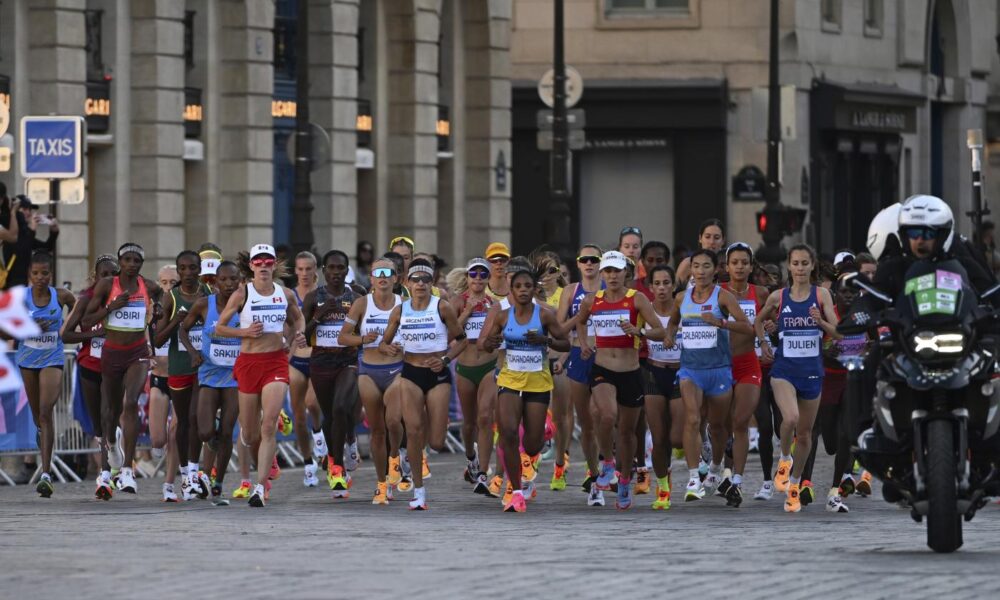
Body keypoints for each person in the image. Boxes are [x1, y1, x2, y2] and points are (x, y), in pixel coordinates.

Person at [213, 244, 306, 507]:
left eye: (268, 261)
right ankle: (267, 455)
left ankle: (260, 486)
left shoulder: (284, 293)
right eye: (258, 261)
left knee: (268, 425)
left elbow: (298, 319)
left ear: (274, 265)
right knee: (250, 433)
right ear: (251, 266)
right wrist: (244, 332)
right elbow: (219, 328)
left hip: (275, 362)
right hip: (248, 363)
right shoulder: (243, 293)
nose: (263, 265)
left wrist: (298, 333)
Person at [575, 251, 666, 510]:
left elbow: (660, 330)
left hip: (631, 371)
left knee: (627, 432)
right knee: (605, 415)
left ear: (626, 272)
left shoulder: (636, 299)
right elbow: (580, 323)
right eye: (608, 271)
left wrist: (640, 332)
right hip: (603, 368)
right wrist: (584, 344)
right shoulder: (593, 300)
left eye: (616, 271)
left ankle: (625, 479)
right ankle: (607, 463)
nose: (612, 276)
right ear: (602, 274)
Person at [756, 244, 841, 513]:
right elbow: (758, 321)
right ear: (789, 266)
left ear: (812, 265)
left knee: (805, 435)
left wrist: (821, 323)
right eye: (796, 263)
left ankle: (794, 485)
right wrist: (765, 343)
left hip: (813, 372)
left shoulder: (822, 295)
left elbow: (838, 333)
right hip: (784, 370)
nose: (800, 268)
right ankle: (784, 459)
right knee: (790, 419)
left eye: (805, 263)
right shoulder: (779, 296)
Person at [663, 248, 753, 502]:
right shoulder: (681, 298)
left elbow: (747, 327)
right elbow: (672, 321)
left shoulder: (723, 297)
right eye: (696, 266)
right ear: (690, 270)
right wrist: (670, 334)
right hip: (691, 370)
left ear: (715, 270)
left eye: (705, 266)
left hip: (719, 370)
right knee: (692, 419)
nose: (700, 272)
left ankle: (714, 467)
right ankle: (693, 478)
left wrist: (721, 323)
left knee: (718, 426)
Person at [479, 266, 569, 512]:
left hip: (538, 382)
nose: (522, 291)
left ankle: (543, 433)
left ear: (534, 289)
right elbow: (485, 345)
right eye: (518, 287)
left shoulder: (545, 315)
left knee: (531, 445)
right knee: (507, 432)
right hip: (509, 380)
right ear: (511, 290)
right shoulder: (502, 315)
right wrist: (491, 342)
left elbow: (565, 342)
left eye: (527, 286)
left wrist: (546, 341)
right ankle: (516, 491)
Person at [379, 258, 467, 510]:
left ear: (432, 283)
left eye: (426, 279)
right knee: (414, 431)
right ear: (407, 283)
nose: (420, 284)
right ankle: (418, 490)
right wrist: (390, 347)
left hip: (437, 375)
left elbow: (461, 340)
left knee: (437, 441)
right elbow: (384, 343)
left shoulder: (443, 307)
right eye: (415, 279)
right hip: (411, 373)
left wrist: (446, 358)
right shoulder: (400, 310)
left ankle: (429, 424)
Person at [81, 242, 164, 499]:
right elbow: (87, 320)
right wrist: (111, 308)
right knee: (109, 412)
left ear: (141, 263)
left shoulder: (148, 286)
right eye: (127, 260)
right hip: (112, 354)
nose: (131, 264)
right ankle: (110, 456)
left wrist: (158, 310)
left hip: (137, 354)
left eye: (136, 260)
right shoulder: (107, 286)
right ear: (120, 261)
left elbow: (159, 299)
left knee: (130, 403)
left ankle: (127, 469)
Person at [797, 270, 867, 513]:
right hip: (825, 378)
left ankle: (835, 490)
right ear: (836, 294)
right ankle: (805, 482)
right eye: (844, 292)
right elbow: (810, 341)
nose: (848, 296)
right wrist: (825, 351)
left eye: (853, 292)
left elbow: (877, 342)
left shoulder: (864, 317)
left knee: (847, 434)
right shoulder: (828, 314)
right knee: (817, 434)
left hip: (851, 379)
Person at [339, 257, 403, 504]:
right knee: (377, 430)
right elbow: (343, 338)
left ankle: (395, 455)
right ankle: (381, 483)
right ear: (372, 279)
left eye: (389, 272)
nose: (384, 276)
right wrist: (364, 340)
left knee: (394, 421)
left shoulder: (404, 304)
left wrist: (398, 346)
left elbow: (415, 336)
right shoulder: (361, 304)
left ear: (396, 278)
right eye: (378, 273)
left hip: (397, 369)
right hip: (368, 369)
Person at [179, 261, 242, 499]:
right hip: (209, 374)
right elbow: (183, 330)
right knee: (205, 431)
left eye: (233, 279)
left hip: (234, 378)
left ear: (239, 281)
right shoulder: (204, 305)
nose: (228, 284)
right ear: (214, 282)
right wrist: (193, 353)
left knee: (226, 431)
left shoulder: (244, 306)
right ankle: (210, 452)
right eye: (223, 279)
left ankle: (218, 480)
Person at [14, 252, 75, 497]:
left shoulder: (60, 296)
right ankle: (41, 433)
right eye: (36, 273)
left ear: (52, 274)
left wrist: (66, 325)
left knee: (45, 411)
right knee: (37, 417)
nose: (40, 278)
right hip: (28, 361)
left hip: (52, 358)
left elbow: (78, 305)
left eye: (45, 273)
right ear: (30, 274)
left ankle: (46, 475)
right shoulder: (21, 298)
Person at [153, 250, 212, 499]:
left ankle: (193, 474)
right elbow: (157, 339)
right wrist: (176, 322)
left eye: (193, 268)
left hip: (205, 366)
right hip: (178, 367)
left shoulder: (209, 295)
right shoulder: (171, 298)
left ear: (200, 270)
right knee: (183, 424)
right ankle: (186, 473)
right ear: (178, 271)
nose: (188, 273)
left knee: (195, 418)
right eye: (183, 268)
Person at [302, 250, 360, 499]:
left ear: (347, 271)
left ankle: (336, 466)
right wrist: (319, 317)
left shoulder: (357, 297)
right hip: (321, 361)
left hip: (347, 360)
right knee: (330, 414)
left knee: (339, 408)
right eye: (332, 268)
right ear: (324, 271)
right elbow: (304, 336)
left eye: (341, 268)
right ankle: (339, 454)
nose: (336, 273)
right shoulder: (314, 297)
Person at [719, 242, 770, 507]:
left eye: (744, 262)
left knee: (740, 421)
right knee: (722, 423)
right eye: (734, 262)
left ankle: (737, 482)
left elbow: (773, 320)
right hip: (719, 365)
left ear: (751, 267)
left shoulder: (761, 293)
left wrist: (768, 328)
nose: (739, 266)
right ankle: (723, 469)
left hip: (748, 362)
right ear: (726, 267)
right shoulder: (716, 292)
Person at [62, 255, 119, 490]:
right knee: (97, 423)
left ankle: (105, 474)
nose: (108, 279)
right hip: (89, 366)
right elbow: (66, 334)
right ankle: (107, 464)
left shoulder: (123, 300)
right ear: (96, 276)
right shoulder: (86, 299)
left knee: (109, 417)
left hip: (115, 367)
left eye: (113, 275)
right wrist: (93, 335)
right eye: (104, 274)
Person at [556, 244, 604, 498]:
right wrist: (582, 313)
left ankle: (608, 465)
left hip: (607, 356)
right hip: (578, 353)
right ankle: (593, 473)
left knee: (604, 414)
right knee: (586, 422)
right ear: (578, 263)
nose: (589, 264)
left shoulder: (612, 287)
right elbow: (560, 329)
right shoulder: (570, 291)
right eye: (584, 259)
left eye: (594, 259)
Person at [450, 258, 498, 490]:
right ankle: (471, 458)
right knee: (469, 423)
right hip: (466, 368)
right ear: (467, 278)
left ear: (489, 279)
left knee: (486, 418)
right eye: (474, 274)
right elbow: (450, 334)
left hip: (489, 366)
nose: (478, 279)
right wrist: (467, 312)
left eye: (483, 275)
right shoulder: (458, 302)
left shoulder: (494, 304)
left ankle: (482, 473)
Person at [641, 264, 682, 510]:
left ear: (673, 286)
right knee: (658, 438)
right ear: (650, 288)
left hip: (680, 372)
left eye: (667, 283)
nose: (662, 288)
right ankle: (663, 488)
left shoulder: (684, 309)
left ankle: (693, 445)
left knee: (676, 438)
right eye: (657, 283)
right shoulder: (645, 311)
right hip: (653, 373)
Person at [288, 251, 327, 487]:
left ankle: (319, 433)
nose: (304, 274)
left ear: (316, 270)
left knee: (312, 403)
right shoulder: (289, 295)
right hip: (296, 359)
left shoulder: (323, 294)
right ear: (295, 271)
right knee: (298, 416)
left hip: (319, 357)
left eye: (308, 269)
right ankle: (308, 462)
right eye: (300, 269)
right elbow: (286, 326)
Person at [533, 251, 571, 491]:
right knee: (533, 418)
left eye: (553, 270)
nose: (547, 276)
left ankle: (560, 462)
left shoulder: (564, 294)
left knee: (561, 415)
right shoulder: (527, 293)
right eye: (543, 270)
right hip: (534, 361)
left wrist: (564, 359)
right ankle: (530, 468)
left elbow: (567, 330)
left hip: (559, 359)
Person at [2, 196, 57, 290]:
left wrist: (54, 232)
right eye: (24, 209)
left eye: (29, 209)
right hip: (13, 286)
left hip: (26, 285)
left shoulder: (25, 233)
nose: (28, 213)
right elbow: (21, 250)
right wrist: (31, 230)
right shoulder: (11, 233)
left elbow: (46, 248)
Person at [675, 219, 725, 286]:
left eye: (716, 237)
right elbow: (675, 293)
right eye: (707, 237)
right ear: (700, 238)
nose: (711, 242)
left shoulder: (729, 265)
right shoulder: (687, 264)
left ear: (723, 240)